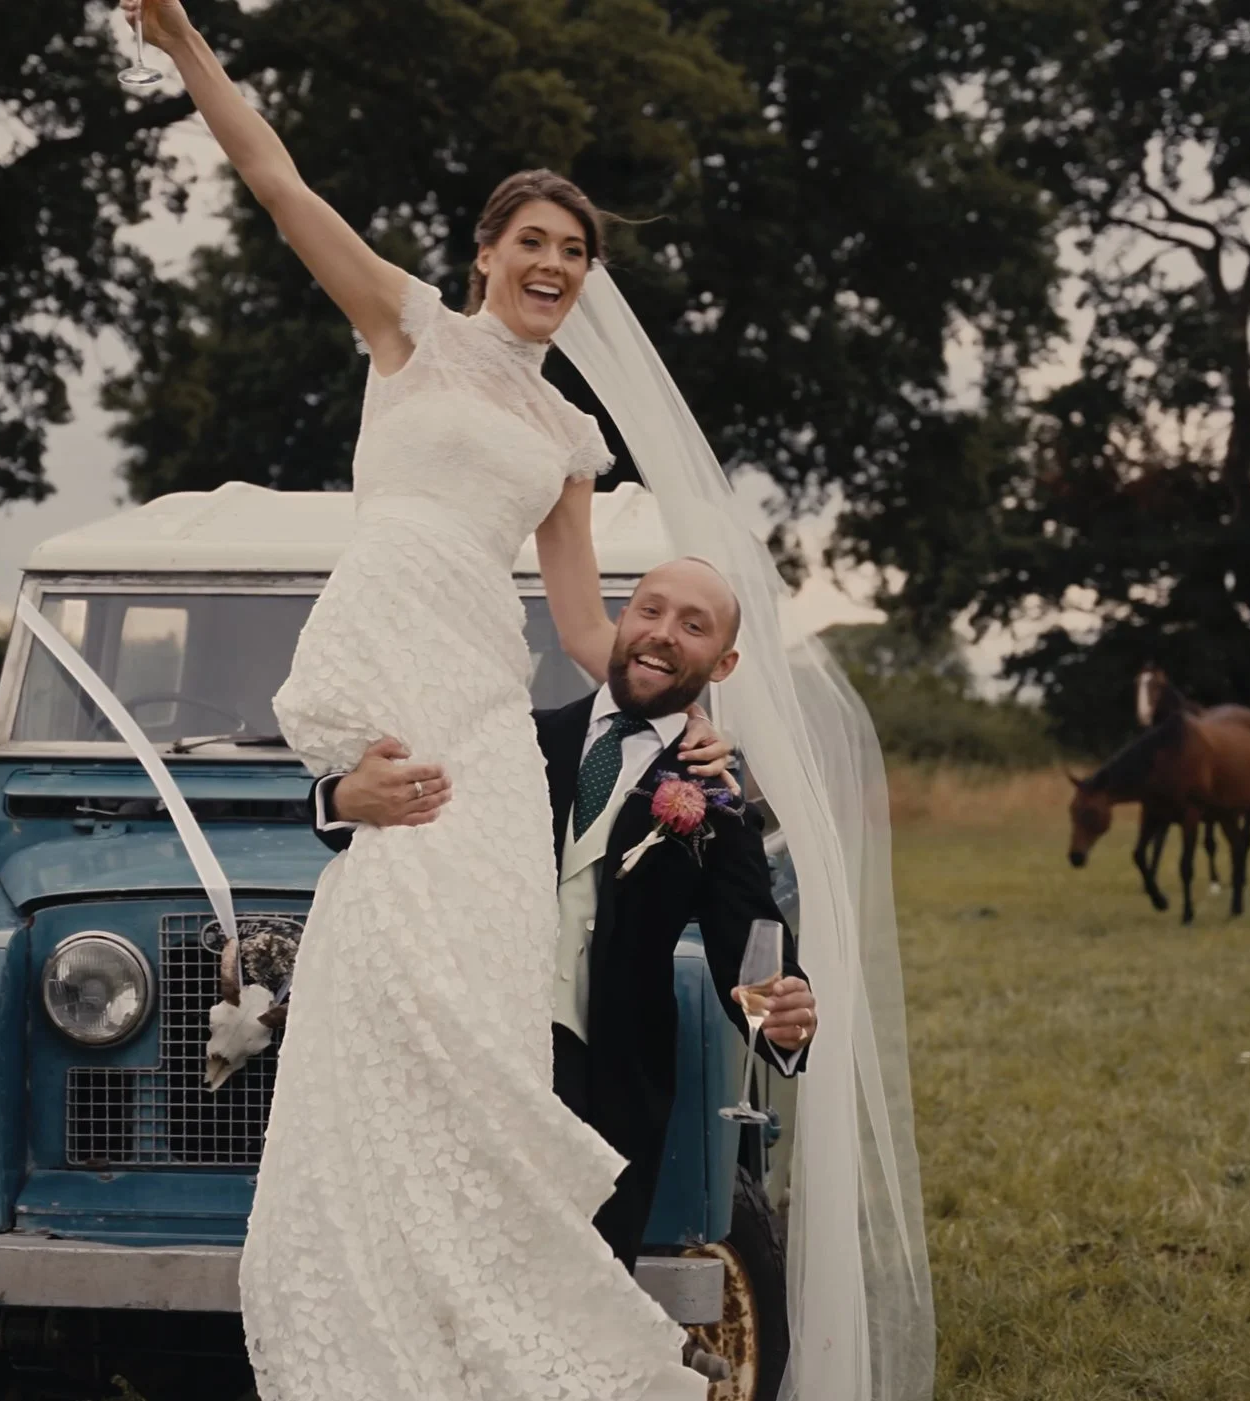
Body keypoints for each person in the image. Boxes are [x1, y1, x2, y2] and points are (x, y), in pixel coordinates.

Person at [121, 3, 732, 1396]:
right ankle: (380, 1336)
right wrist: (187, 50)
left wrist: (690, 667)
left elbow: (586, 635)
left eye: (576, 255)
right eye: (536, 243)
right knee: (383, 1001)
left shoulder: (567, 438)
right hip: (386, 682)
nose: (557, 267)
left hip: (483, 734)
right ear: (485, 252)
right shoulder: (407, 331)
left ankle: (480, 1346)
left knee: (473, 1029)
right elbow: (279, 185)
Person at [312, 558, 820, 1283]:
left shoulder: (719, 796)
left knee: (580, 1298)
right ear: (622, 621)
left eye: (693, 625)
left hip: (609, 1090)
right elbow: (385, 812)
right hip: (479, 1063)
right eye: (650, 610)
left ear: (724, 661)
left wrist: (783, 1020)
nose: (663, 634)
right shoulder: (516, 740)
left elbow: (749, 944)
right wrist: (342, 796)